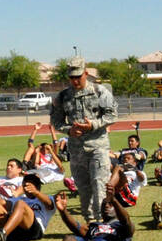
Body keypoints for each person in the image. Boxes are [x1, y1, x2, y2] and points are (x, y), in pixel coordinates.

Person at [49, 56, 117, 219]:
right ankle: (90, 223)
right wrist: (68, 130)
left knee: (99, 185)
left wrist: (92, 125)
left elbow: (112, 115)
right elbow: (55, 121)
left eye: (78, 77)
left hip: (97, 147)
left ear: (86, 73)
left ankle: (102, 222)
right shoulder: (63, 96)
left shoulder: (100, 91)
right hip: (77, 150)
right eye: (71, 77)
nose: (75, 81)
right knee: (83, 189)